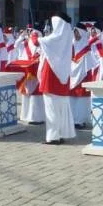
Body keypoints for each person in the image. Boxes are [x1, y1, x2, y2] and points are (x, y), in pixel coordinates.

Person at [38, 12, 76, 145]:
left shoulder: (55, 38)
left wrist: (40, 35)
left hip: (51, 76)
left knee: (51, 108)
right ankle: (59, 134)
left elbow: (41, 40)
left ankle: (53, 136)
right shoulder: (67, 36)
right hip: (63, 76)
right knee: (60, 108)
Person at [71, 22, 98, 129]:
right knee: (71, 98)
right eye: (74, 32)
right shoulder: (71, 44)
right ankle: (72, 119)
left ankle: (80, 120)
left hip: (83, 75)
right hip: (71, 75)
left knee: (81, 100)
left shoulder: (86, 46)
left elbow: (90, 64)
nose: (75, 34)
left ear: (82, 33)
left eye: (77, 32)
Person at [15, 25, 45, 124]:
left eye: (34, 33)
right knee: (26, 94)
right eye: (31, 33)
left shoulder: (42, 43)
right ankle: (26, 115)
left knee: (36, 96)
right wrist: (21, 37)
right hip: (27, 71)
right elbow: (16, 45)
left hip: (37, 71)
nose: (33, 35)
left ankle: (37, 118)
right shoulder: (26, 43)